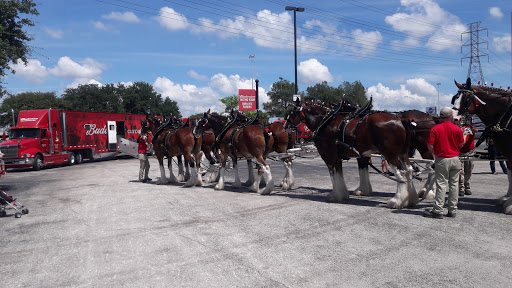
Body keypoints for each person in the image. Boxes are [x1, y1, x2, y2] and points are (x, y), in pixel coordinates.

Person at [423, 107, 468, 219]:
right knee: (454, 185)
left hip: (442, 159)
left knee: (441, 185)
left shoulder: (435, 129)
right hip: (455, 159)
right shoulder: (457, 129)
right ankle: (452, 210)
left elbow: (430, 146)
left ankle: (438, 210)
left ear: (440, 116)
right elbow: (461, 145)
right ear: (450, 116)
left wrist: (435, 154)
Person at [457, 120, 477, 196]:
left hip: (470, 153)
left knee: (468, 171)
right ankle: (461, 188)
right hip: (460, 152)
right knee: (460, 172)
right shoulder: (458, 128)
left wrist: (471, 126)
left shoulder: (471, 128)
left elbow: (476, 130)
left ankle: (467, 187)